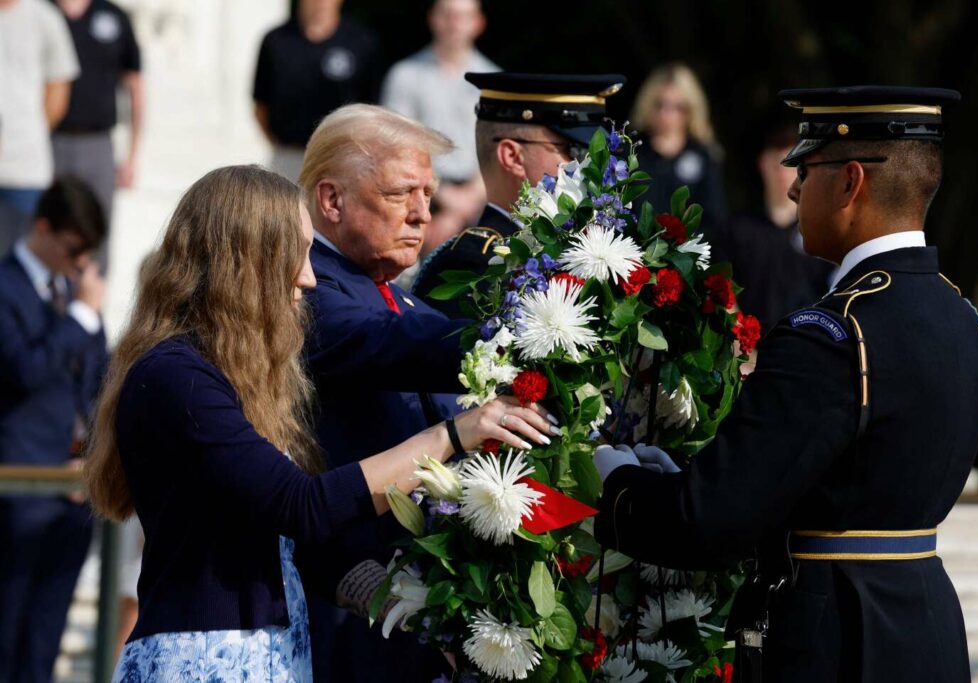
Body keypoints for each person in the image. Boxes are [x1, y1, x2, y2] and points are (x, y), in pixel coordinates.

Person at [81, 164, 551, 682]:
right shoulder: (176, 374)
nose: (308, 276)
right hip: (202, 659)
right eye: (296, 255)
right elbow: (300, 506)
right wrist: (452, 434)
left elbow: (276, 541)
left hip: (264, 656)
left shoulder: (213, 372)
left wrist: (416, 607)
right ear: (246, 260)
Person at [592, 87, 978, 682]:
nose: (790, 189)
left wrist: (621, 483)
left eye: (804, 170)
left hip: (835, 635)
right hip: (925, 623)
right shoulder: (964, 319)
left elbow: (714, 520)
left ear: (849, 182)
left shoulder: (832, 334)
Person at [299, 103, 559, 681]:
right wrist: (544, 326)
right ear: (332, 200)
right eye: (400, 194)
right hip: (355, 613)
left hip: (420, 616)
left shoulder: (396, 296)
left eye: (428, 194)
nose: (423, 213)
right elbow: (394, 344)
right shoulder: (311, 292)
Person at [0, 176, 107, 683]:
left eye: (89, 251)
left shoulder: (77, 292)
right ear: (43, 227)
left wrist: (93, 457)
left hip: (74, 489)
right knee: (7, 634)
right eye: (74, 247)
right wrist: (83, 313)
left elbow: (97, 383)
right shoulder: (6, 287)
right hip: (19, 491)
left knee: (45, 639)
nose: (82, 261)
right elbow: (24, 369)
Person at [413, 72, 626, 318]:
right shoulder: (476, 263)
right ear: (512, 157)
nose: (589, 166)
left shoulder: (573, 251)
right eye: (574, 151)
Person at [382, 0, 498, 276]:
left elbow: (497, 150)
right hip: (418, 197)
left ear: (478, 23)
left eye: (462, 16)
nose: (453, 23)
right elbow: (394, 147)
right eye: (447, 14)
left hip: (480, 199)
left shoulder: (495, 82)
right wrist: (439, 198)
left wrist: (462, 206)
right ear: (432, 18)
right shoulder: (404, 75)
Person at [713, 121, 834, 325]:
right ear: (763, 163)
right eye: (777, 163)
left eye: (791, 166)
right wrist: (740, 343)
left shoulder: (821, 231)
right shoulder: (736, 228)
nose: (782, 174)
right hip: (746, 350)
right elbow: (720, 286)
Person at [52, 0, 144, 267]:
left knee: (96, 233)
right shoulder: (41, 11)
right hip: (48, 141)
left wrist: (132, 156)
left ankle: (91, 304)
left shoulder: (113, 17)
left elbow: (135, 88)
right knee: (47, 230)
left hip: (98, 144)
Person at [253, 0, 381, 182]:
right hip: (289, 156)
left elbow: (371, 109)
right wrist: (283, 147)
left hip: (342, 158)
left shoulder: (361, 42)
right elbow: (260, 105)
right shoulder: (276, 41)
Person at [0, 0, 80, 255]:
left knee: (20, 261)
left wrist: (26, 137)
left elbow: (58, 91)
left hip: (25, 170)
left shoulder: (44, 17)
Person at [631, 63, 727, 234]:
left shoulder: (704, 155)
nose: (666, 115)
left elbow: (714, 219)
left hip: (689, 255)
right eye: (660, 105)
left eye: (677, 107)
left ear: (691, 110)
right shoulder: (631, 152)